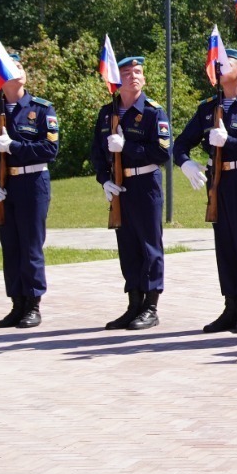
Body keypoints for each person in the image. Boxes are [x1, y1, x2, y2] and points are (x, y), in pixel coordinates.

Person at [173, 48, 237, 334]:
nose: (218, 66)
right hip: (218, 181)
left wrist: (230, 142)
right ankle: (230, 306)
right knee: (224, 244)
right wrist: (185, 163)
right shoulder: (207, 107)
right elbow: (180, 144)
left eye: (225, 63)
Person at [0, 58, 59, 327]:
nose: (19, 71)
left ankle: (33, 304)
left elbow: (50, 150)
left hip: (32, 183)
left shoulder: (41, 109)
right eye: (12, 68)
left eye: (20, 67)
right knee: (10, 247)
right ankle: (17, 304)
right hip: (2, 188)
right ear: (0, 79)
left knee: (31, 246)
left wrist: (13, 146)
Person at [91, 57, 172, 330]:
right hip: (119, 188)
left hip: (145, 183)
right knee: (127, 246)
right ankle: (133, 304)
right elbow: (96, 154)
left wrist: (126, 147)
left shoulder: (153, 112)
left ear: (144, 79)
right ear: (116, 80)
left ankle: (150, 307)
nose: (133, 77)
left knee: (149, 245)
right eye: (126, 73)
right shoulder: (106, 113)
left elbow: (162, 152)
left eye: (138, 72)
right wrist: (104, 180)